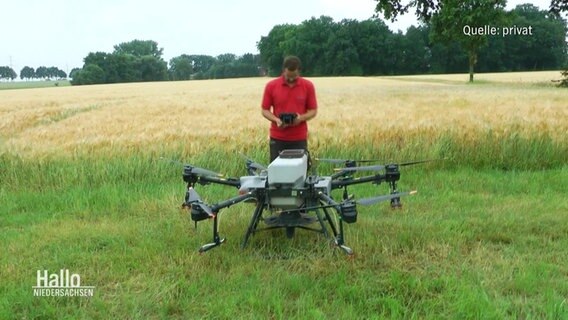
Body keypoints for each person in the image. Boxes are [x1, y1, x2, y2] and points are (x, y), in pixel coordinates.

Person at [261, 56, 318, 163]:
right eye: (288, 76)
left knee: (299, 173)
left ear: (299, 72)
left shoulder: (308, 86)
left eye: (294, 76)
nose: (291, 79)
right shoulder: (271, 86)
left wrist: (300, 118)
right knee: (277, 172)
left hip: (299, 138)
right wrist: (276, 120)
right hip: (277, 138)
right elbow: (264, 110)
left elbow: (313, 110)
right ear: (283, 70)